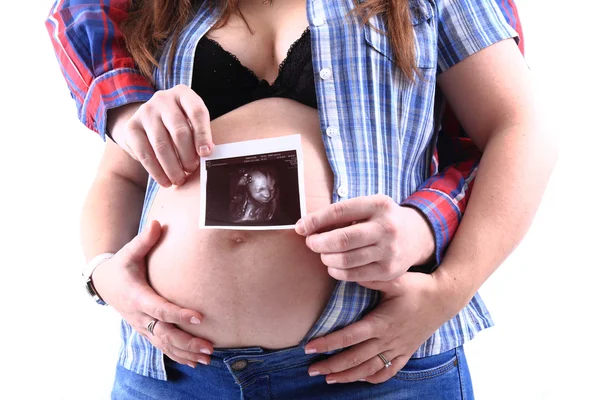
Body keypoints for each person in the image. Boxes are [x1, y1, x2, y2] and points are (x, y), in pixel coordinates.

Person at [46, 0, 554, 399]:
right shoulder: (162, 12)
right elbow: (122, 176)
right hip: (174, 376)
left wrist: (447, 290)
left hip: (378, 370)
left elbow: (521, 130)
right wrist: (103, 275)